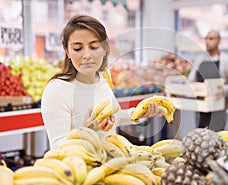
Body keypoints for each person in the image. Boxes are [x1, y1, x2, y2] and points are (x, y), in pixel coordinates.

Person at [41, 14, 162, 149]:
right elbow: (57, 147)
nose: (87, 55)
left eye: (94, 47)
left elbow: (112, 119)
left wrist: (137, 114)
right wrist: (88, 131)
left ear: (104, 49)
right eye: (77, 48)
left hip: (109, 163)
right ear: (67, 51)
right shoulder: (58, 89)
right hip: (80, 168)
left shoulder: (103, 77)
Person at [188, 30, 228, 131]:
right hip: (200, 107)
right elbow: (191, 80)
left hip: (218, 107)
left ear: (219, 41)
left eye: (211, 39)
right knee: (199, 136)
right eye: (206, 39)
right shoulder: (199, 59)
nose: (208, 41)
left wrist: (222, 89)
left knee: (216, 136)